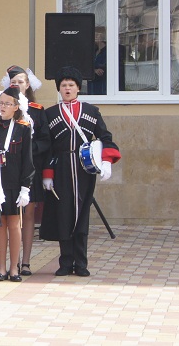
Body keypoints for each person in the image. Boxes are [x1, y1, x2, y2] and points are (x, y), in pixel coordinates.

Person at [40, 66, 121, 277]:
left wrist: (106, 161)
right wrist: (48, 173)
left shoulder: (91, 112)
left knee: (82, 215)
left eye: (71, 85)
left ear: (78, 88)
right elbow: (47, 147)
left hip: (84, 169)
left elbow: (105, 137)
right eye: (63, 85)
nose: (67, 89)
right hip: (61, 169)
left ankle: (81, 263)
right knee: (63, 215)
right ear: (59, 89)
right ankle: (66, 263)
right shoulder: (50, 114)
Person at [2, 65, 50, 277]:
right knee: (7, 217)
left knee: (28, 214)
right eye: (13, 82)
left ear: (27, 84)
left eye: (20, 82)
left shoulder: (37, 111)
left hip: (30, 168)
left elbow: (45, 141)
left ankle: (26, 261)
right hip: (8, 170)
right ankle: (7, 263)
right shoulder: (2, 110)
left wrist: (28, 149)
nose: (17, 85)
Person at [0, 88, 35, 283]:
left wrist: (26, 187)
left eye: (7, 104)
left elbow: (28, 160)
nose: (3, 107)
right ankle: (1, 267)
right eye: (1, 103)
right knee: (0, 224)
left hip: (15, 183)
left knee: (14, 224)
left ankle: (14, 267)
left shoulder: (23, 128)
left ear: (16, 107)